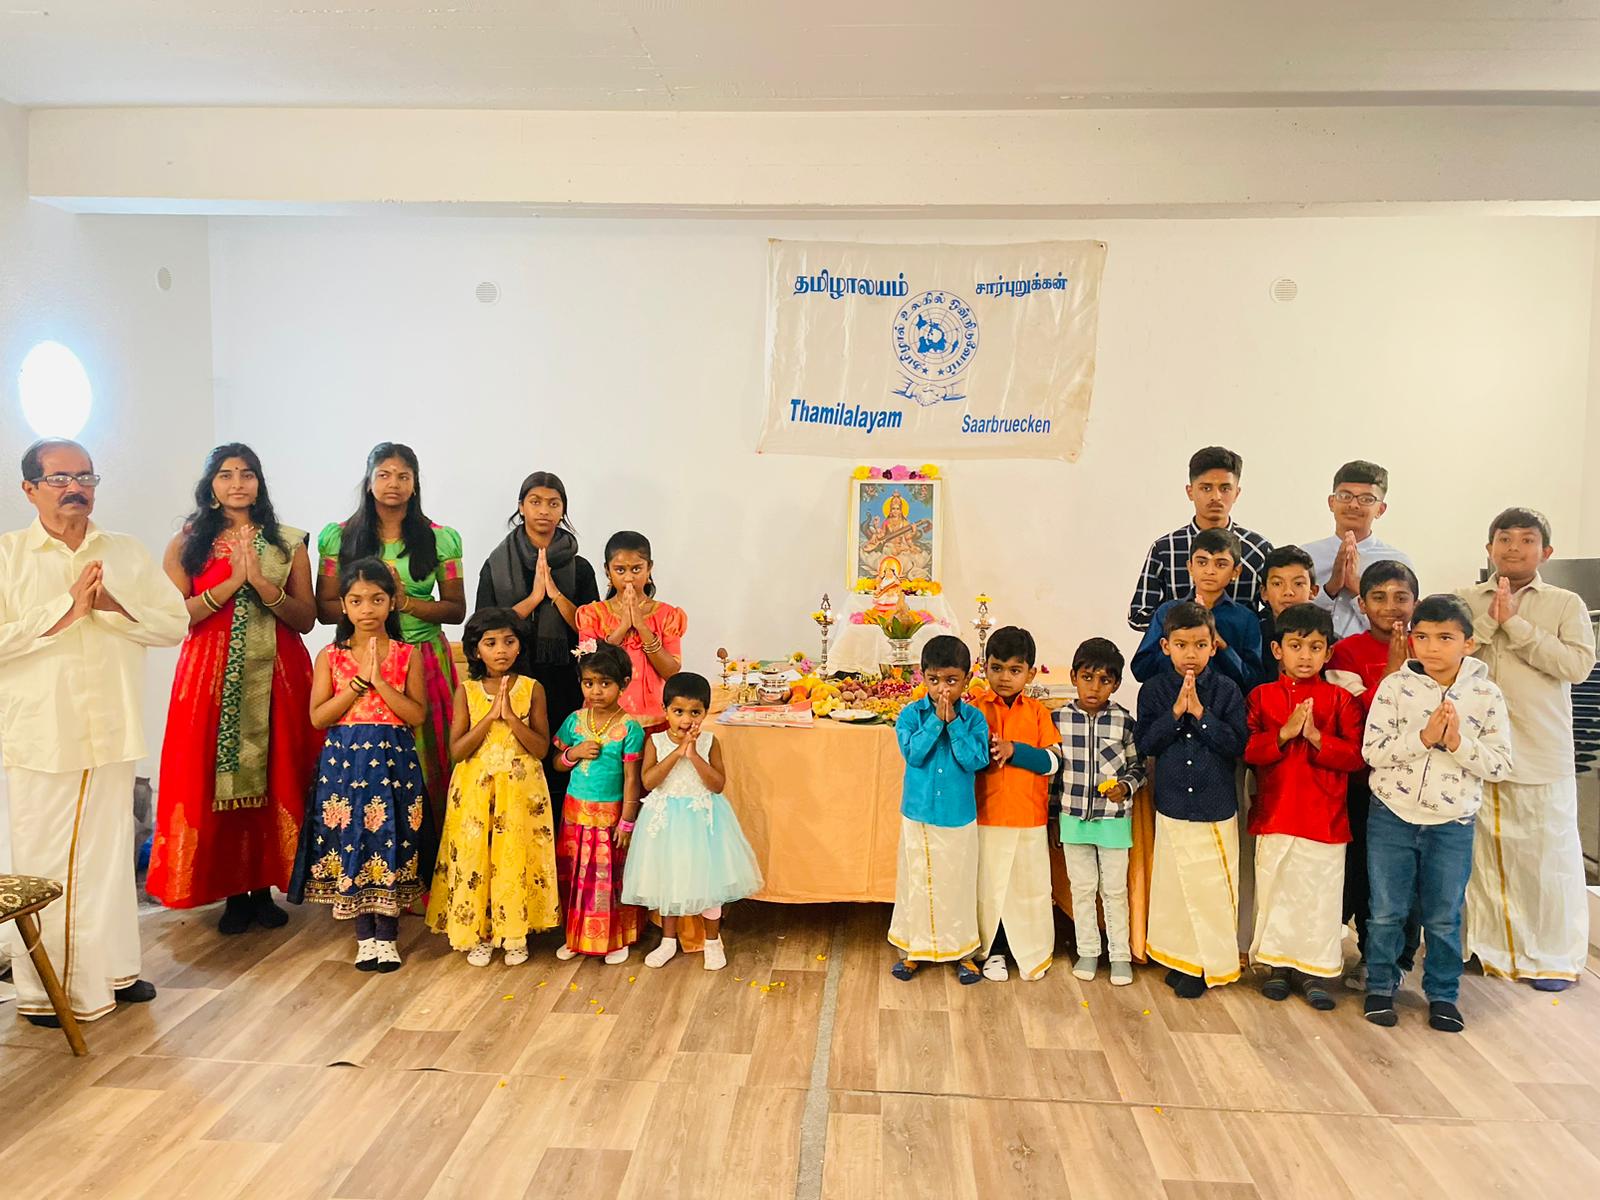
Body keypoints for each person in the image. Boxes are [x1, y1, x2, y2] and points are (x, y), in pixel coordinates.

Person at [0, 439, 187, 1026]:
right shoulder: (7, 556)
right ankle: (47, 992)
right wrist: (64, 610)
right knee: (48, 865)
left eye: (85, 477)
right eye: (59, 478)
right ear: (29, 488)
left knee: (108, 860)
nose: (75, 488)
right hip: (43, 734)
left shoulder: (124, 552)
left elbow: (173, 625)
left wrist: (109, 607)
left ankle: (114, 971)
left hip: (111, 725)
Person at [147, 444, 322, 934]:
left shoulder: (288, 542)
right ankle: (231, 893)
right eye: (226, 475)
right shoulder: (187, 543)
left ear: (260, 483)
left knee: (276, 771)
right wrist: (231, 584)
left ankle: (264, 887)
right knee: (208, 778)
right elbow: (174, 616)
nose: (237, 483)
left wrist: (264, 586)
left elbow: (306, 618)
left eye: (247, 474)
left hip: (278, 675)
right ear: (211, 485)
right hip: (209, 675)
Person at [1459, 508, 1596, 991]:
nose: (1513, 548)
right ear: (1489, 547)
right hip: (1474, 750)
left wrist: (1516, 626)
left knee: (1544, 861)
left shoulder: (1566, 603)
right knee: (1480, 860)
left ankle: (1550, 958)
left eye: (1526, 539)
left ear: (1546, 551)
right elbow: (1447, 653)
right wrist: (1489, 623)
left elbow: (1577, 666)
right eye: (1504, 539)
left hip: (1539, 751)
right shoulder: (1463, 600)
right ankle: (1483, 949)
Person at [1362, 594, 1513, 1033]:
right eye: (1423, 636)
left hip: (1451, 824)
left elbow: (1500, 765)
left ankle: (1443, 994)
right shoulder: (1395, 687)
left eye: (1445, 638)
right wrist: (1424, 738)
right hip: (1391, 816)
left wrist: (1457, 743)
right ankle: (1380, 985)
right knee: (1385, 910)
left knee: (1444, 915)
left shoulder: (1486, 695)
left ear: (1468, 643)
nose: (1432, 647)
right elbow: (1372, 752)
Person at [317, 443, 465, 827]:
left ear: (415, 485)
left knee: (432, 759)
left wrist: (404, 602)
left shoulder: (440, 538)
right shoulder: (338, 538)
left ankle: (431, 846)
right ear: (368, 482)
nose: (393, 484)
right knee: (364, 761)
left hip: (425, 656)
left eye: (403, 476)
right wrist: (369, 604)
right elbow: (325, 608)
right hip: (358, 656)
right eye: (383, 475)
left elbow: (456, 610)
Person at [299, 558, 429, 973]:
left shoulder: (408, 654)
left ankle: (388, 936)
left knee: (393, 837)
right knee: (351, 837)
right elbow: (318, 717)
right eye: (356, 601)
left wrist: (380, 682)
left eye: (376, 599)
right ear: (343, 605)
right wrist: (357, 684)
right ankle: (364, 937)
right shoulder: (330, 656)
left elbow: (417, 714)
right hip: (345, 763)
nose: (367, 608)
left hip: (394, 761)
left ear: (391, 602)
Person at [1243, 604, 1365, 1010]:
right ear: (1277, 650)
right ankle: (1278, 967)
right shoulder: (1262, 696)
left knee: (1319, 899)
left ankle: (1315, 972)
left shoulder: (1341, 700)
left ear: (1329, 653)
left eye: (1315, 647)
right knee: (1276, 894)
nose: (1305, 656)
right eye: (1295, 646)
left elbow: (1356, 758)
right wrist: (1283, 733)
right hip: (1276, 814)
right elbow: (1249, 750)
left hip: (1325, 819)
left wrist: (1314, 737)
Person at [425, 608, 559, 967]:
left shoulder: (532, 689)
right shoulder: (467, 691)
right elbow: (458, 750)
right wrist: (489, 717)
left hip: (520, 793)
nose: (501, 650)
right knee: (478, 857)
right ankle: (480, 932)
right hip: (475, 790)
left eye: (509, 641)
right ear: (476, 650)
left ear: (520, 646)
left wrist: (512, 717)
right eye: (491, 643)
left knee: (513, 856)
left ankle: (514, 932)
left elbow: (541, 748)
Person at [1134, 602, 1249, 999]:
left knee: (1210, 890)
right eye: (1181, 645)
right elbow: (1146, 743)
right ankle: (1182, 958)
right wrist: (1174, 714)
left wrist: (1199, 714)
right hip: (1172, 805)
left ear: (1214, 647)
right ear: (1165, 646)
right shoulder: (1154, 690)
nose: (1191, 654)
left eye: (1200, 645)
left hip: (1213, 806)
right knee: (1177, 889)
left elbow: (1237, 745)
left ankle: (1208, 964)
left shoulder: (1227, 690)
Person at [623, 672, 763, 972]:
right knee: (669, 879)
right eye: (678, 711)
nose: (686, 720)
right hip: (666, 822)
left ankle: (713, 941)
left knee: (708, 881)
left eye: (695, 712)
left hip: (703, 821)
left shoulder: (710, 742)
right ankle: (668, 941)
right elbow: (649, 781)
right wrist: (677, 752)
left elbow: (717, 785)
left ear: (705, 712)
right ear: (665, 710)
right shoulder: (655, 741)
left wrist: (694, 754)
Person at [1326, 560, 1421, 990]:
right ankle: (1369, 954)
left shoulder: (1429, 646)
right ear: (1361, 604)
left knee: (1409, 877)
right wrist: (1392, 675)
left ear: (1415, 602)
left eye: (1401, 597)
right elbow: (1357, 717)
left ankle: (1401, 958)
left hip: (1417, 786)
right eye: (1379, 597)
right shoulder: (1346, 652)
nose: (1391, 606)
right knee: (1365, 873)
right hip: (1363, 784)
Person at [475, 472, 600, 764]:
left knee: (562, 758)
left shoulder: (580, 569)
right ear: (521, 507)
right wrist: (533, 598)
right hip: (513, 674)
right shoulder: (497, 565)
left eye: (553, 503)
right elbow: (483, 627)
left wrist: (555, 594)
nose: (544, 510)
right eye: (535, 502)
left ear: (563, 509)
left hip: (566, 677)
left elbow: (592, 631)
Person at [888, 635, 990, 983]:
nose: (943, 689)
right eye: (934, 680)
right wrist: (935, 722)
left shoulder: (974, 720)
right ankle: (914, 950)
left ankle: (963, 953)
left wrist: (954, 724)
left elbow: (975, 760)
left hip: (958, 815)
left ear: (967, 679)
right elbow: (914, 755)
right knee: (917, 882)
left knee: (958, 885)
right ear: (923, 677)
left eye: (951, 680)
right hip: (918, 813)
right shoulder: (910, 715)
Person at [969, 627, 1062, 982]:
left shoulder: (1037, 713)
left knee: (1025, 889)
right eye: (997, 668)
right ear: (984, 667)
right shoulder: (974, 710)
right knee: (988, 889)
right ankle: (991, 952)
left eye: (1014, 670)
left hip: (1027, 817)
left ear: (1030, 674)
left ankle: (1027, 952)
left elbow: (1053, 762)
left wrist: (1014, 751)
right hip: (986, 815)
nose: (1005, 678)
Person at [1051, 638, 1145, 986]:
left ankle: (1120, 955)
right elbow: (1053, 776)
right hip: (1072, 818)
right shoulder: (1058, 719)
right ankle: (1088, 950)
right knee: (1082, 888)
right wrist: (1052, 818)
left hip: (1114, 820)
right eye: (1087, 678)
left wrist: (1126, 787)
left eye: (1104, 680)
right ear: (1073, 677)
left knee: (1115, 890)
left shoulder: (1124, 722)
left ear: (1116, 684)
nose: (1094, 687)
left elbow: (1138, 768)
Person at [552, 641, 644, 964]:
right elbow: (557, 763)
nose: (596, 691)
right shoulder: (575, 721)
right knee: (577, 877)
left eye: (605, 683)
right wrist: (573, 753)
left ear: (624, 684)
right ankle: (576, 936)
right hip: (574, 815)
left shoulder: (629, 728)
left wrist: (627, 821)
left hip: (610, 818)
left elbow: (632, 779)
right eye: (588, 683)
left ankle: (615, 940)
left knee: (606, 879)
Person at [1127, 446, 1272, 632]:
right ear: (1190, 491)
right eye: (1206, 488)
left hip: (1241, 650)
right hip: (1179, 650)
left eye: (1225, 488)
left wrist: (1241, 629)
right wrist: (1186, 630)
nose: (1216, 497)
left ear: (1237, 493)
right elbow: (1139, 615)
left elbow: (1276, 613)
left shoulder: (1257, 549)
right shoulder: (1165, 549)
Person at [576, 531, 687, 732]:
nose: (629, 578)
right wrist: (623, 626)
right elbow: (589, 668)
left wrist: (642, 626)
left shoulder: (667, 615)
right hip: (603, 718)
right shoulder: (592, 615)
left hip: (654, 718)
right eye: (620, 570)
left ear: (649, 568)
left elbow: (671, 671)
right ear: (607, 571)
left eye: (636, 569)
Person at [1131, 527, 1263, 691]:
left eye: (1221, 564)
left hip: (1226, 703)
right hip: (1170, 698)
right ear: (1190, 567)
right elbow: (1141, 669)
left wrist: (1222, 645)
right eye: (1202, 562)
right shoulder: (1167, 611)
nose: (1210, 571)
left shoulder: (1246, 618)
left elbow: (1254, 681)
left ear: (1236, 571)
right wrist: (1178, 646)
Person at [1302, 461, 1415, 640]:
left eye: (1366, 499)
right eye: (1345, 496)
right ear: (1331, 502)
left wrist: (1357, 588)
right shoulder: (1306, 556)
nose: (1354, 505)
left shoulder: (1397, 563)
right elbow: (1290, 618)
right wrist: (1330, 589)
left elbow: (1401, 629)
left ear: (1380, 509)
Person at [1255, 545, 1318, 684]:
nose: (1288, 592)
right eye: (1277, 583)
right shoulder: (1253, 636)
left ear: (1313, 591)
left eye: (1298, 583)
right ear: (1264, 592)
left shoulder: (1327, 638)